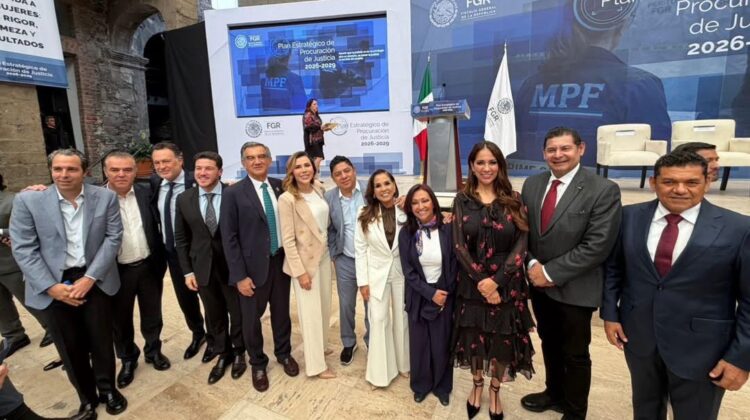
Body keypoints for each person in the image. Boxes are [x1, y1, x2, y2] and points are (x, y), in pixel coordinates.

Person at [602, 151, 750, 420]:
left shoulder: (739, 228)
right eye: (669, 182)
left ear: (707, 183)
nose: (680, 190)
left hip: (703, 348)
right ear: (653, 183)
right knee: (645, 409)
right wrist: (610, 314)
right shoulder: (628, 217)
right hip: (640, 337)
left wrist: (740, 358)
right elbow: (614, 269)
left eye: (691, 182)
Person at [10, 148, 127, 418]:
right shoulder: (28, 201)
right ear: (51, 171)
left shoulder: (105, 197)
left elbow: (113, 238)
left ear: (84, 172)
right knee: (69, 346)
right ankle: (86, 398)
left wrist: (89, 278)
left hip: (94, 279)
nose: (64, 174)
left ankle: (108, 390)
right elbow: (24, 248)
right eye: (58, 169)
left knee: (101, 340)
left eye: (71, 169)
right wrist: (51, 287)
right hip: (52, 283)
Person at [520, 127, 622, 420]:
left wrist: (550, 272)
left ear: (581, 149)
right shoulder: (532, 184)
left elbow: (597, 245)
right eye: (551, 149)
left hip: (577, 288)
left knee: (575, 353)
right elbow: (525, 233)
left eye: (565, 148)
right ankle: (554, 393)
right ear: (543, 153)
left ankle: (575, 411)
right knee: (549, 342)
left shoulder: (603, 189)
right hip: (539, 285)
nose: (558, 154)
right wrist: (532, 265)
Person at [450, 141, 534, 420]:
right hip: (472, 283)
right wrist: (483, 283)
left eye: (492, 162)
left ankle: (495, 390)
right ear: (472, 166)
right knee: (473, 337)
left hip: (507, 283)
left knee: (501, 341)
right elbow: (459, 246)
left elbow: (522, 243)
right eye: (481, 162)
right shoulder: (462, 200)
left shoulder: (514, 198)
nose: (487, 168)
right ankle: (476, 386)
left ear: (500, 165)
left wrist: (497, 281)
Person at [220, 142, 298, 393]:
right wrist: (239, 276)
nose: (257, 161)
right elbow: (229, 238)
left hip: (280, 263)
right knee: (251, 320)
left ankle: (283, 353)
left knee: (281, 313)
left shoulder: (281, 186)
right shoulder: (233, 193)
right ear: (244, 163)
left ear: (270, 160)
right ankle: (257, 363)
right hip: (250, 269)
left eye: (262, 156)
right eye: (251, 157)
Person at [174, 151, 246, 385]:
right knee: (214, 315)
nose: (202, 173)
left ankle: (239, 352)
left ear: (220, 172)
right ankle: (223, 354)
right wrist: (187, 272)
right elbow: (181, 239)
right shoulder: (184, 199)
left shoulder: (234, 194)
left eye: (208, 168)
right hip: (202, 268)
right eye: (198, 168)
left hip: (233, 268)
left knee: (238, 314)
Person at [104, 151, 171, 389]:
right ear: (106, 171)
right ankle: (128, 359)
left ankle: (153, 351)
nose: (121, 174)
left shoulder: (147, 191)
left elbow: (181, 180)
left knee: (152, 314)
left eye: (127, 169)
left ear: (135, 172)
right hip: (116, 271)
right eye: (115, 170)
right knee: (120, 320)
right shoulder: (96, 198)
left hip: (148, 266)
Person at [149, 142, 210, 362]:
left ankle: (216, 338)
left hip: (199, 253)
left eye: (166, 161)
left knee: (209, 298)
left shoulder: (198, 179)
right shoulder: (155, 182)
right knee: (186, 299)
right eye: (157, 162)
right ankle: (198, 333)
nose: (161, 166)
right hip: (173, 254)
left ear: (180, 160)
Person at [278, 151, 336, 379]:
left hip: (323, 257)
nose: (304, 170)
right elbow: (288, 240)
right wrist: (300, 273)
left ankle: (321, 346)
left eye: (307, 165)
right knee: (310, 315)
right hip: (304, 264)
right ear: (291, 172)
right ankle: (316, 366)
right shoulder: (287, 199)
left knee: (324, 307)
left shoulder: (318, 189)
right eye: (298, 166)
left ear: (313, 168)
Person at [398, 184, 456, 406]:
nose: (420, 206)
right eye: (414, 202)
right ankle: (421, 385)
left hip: (444, 293)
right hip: (419, 294)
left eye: (424, 200)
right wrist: (430, 293)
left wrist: (442, 293)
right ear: (409, 207)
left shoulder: (448, 229)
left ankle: (442, 387)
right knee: (420, 344)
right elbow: (408, 271)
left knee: (442, 344)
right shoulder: (406, 233)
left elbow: (453, 264)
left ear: (433, 202)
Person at [355, 169, 409, 389]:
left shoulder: (406, 210)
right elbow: (360, 249)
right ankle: (380, 373)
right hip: (376, 274)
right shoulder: (364, 213)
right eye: (378, 185)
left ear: (394, 185)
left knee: (402, 318)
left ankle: (403, 364)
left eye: (387, 183)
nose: (384, 188)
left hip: (402, 273)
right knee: (378, 319)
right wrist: (363, 282)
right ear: (373, 191)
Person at [324, 156, 369, 365]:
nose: (343, 176)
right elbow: (330, 229)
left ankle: (372, 341)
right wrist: (335, 255)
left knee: (371, 303)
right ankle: (349, 342)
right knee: (346, 304)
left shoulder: (370, 190)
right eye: (338, 174)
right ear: (333, 178)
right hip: (345, 259)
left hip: (370, 259)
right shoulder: (329, 197)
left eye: (346, 171)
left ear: (354, 170)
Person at [302, 98, 332, 174]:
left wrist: (324, 128)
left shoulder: (315, 115)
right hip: (312, 140)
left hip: (318, 140)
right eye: (314, 104)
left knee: (317, 158)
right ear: (310, 106)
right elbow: (309, 127)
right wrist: (320, 127)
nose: (317, 106)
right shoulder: (308, 114)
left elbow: (318, 127)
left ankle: (316, 176)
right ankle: (314, 176)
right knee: (318, 157)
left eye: (317, 104)